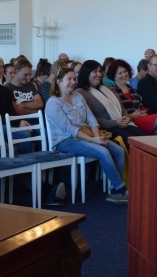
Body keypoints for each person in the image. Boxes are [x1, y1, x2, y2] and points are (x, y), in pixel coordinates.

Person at [46, 68, 128, 205]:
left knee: (119, 151)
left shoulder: (78, 97)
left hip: (87, 135)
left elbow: (91, 119)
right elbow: (69, 129)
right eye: (69, 79)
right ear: (59, 81)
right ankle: (120, 189)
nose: (73, 82)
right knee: (103, 152)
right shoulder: (53, 103)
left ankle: (114, 189)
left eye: (74, 79)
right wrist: (93, 140)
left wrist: (97, 138)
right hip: (65, 140)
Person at [106, 59, 157, 136]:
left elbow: (141, 106)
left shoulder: (133, 89)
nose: (124, 75)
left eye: (125, 71)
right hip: (128, 123)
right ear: (113, 75)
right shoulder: (111, 91)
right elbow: (114, 115)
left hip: (141, 119)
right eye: (120, 73)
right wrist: (132, 115)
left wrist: (144, 113)